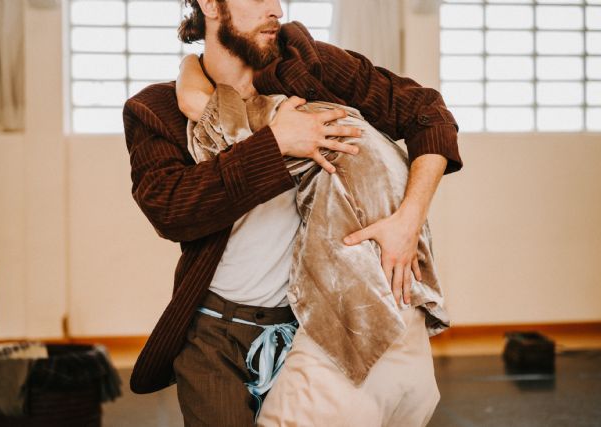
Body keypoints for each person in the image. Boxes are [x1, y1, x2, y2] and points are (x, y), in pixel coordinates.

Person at [121, 0, 462, 425]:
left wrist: (408, 221)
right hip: (214, 336)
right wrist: (276, 143)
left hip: (310, 328)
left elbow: (428, 113)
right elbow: (171, 209)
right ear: (209, 4)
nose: (276, 8)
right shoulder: (157, 109)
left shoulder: (308, 65)